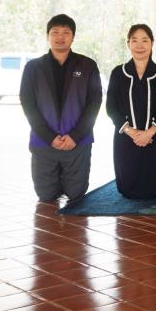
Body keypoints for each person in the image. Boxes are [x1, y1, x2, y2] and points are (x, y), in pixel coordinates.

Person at [19, 14, 102, 204]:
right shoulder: (33, 67)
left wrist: (76, 135)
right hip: (44, 142)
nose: (60, 37)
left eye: (66, 32)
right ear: (47, 36)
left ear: (73, 37)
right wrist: (49, 137)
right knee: (46, 195)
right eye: (55, 32)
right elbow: (28, 102)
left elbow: (95, 102)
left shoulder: (87, 65)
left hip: (77, 142)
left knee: (76, 193)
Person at [105, 24, 156, 199]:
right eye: (134, 40)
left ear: (152, 43)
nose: (140, 45)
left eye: (145, 40)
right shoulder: (118, 73)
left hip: (155, 139)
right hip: (127, 138)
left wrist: (149, 132)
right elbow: (111, 107)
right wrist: (131, 132)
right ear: (128, 44)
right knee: (128, 189)